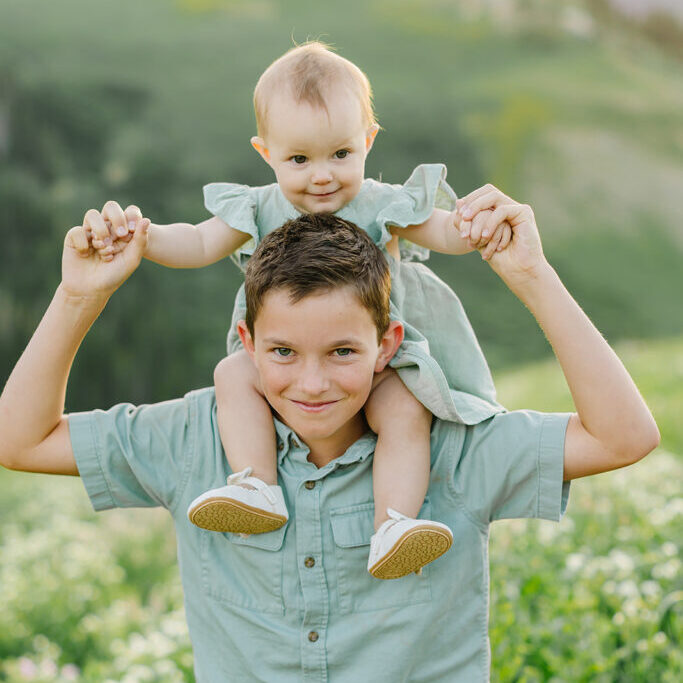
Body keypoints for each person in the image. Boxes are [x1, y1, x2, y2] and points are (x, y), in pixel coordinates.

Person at [0, 186, 659, 681]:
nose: (312, 383)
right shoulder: (195, 437)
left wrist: (530, 275)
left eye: (342, 351)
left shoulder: (451, 442)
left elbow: (623, 437)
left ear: (386, 345)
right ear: (247, 343)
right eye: (283, 352)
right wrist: (79, 296)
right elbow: (20, 440)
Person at [92, 41, 513, 578]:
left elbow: (442, 232)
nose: (322, 176)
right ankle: (256, 485)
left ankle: (395, 523)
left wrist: (475, 225)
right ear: (266, 153)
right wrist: (144, 239)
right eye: (299, 160)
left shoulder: (382, 201)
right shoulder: (260, 206)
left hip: (380, 354)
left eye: (341, 155)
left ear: (367, 141)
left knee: (404, 412)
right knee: (232, 375)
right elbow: (198, 244)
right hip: (289, 356)